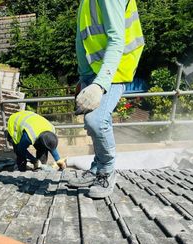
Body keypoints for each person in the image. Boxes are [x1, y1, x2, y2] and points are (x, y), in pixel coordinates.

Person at [68, 0, 144, 198]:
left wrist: (99, 84)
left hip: (115, 69)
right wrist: (83, 78)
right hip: (95, 71)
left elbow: (117, 39)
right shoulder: (85, 2)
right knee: (90, 120)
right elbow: (81, 40)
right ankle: (96, 168)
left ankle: (106, 171)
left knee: (97, 120)